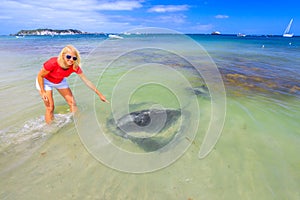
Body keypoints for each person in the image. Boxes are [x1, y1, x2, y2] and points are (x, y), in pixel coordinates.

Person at [36, 45, 109, 124]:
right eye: (68, 57)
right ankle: (49, 129)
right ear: (63, 55)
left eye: (74, 58)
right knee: (50, 108)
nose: (71, 60)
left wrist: (100, 94)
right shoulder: (53, 62)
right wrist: (43, 92)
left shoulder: (74, 67)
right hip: (45, 81)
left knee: (72, 103)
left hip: (60, 80)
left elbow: (87, 81)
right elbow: (40, 75)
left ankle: (78, 123)